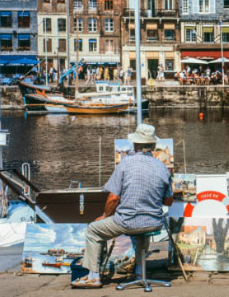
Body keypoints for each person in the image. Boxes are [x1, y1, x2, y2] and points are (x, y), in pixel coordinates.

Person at [73, 124, 174, 289]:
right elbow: (168, 201)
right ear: (153, 145)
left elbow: (113, 198)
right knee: (143, 229)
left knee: (93, 230)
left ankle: (93, 276)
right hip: (154, 222)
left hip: (127, 221)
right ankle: (140, 272)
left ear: (135, 144)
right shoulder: (162, 168)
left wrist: (105, 216)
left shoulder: (125, 164)